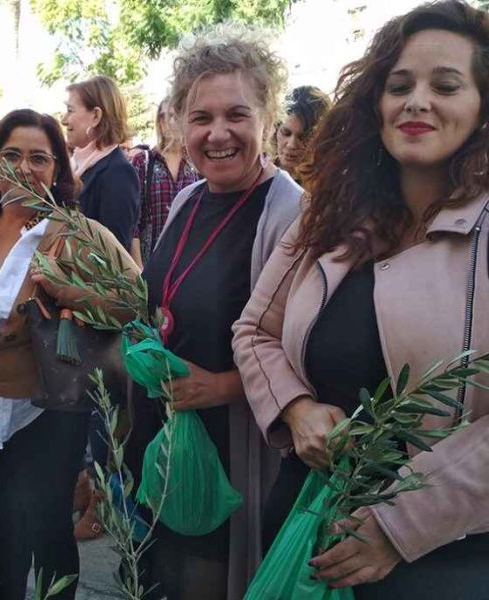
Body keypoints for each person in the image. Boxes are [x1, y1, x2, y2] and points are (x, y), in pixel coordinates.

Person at [232, 2, 489, 597]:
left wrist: (401, 522)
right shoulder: (325, 218)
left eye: (445, 85)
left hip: (443, 558)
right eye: (399, 85)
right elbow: (254, 331)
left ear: (481, 107)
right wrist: (296, 408)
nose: (417, 101)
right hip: (306, 516)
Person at [124, 27, 303, 600]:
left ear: (267, 117)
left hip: (237, 452)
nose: (218, 133)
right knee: (161, 579)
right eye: (200, 117)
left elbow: (315, 354)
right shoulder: (187, 199)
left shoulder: (293, 215)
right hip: (172, 445)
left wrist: (224, 385)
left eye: (237, 115)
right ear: (178, 122)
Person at [0, 108, 139, 600]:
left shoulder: (77, 232)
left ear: (58, 169)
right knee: (3, 533)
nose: (24, 168)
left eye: (39, 158)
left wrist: (72, 291)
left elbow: (135, 300)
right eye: (12, 155)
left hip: (48, 408)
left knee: (47, 533)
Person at [61, 75, 140, 251]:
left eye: (70, 110)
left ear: (96, 116)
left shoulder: (118, 173)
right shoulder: (78, 166)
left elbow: (112, 254)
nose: (64, 119)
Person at [130, 98, 199, 266]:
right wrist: (139, 270)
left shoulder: (196, 161)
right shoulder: (143, 161)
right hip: (152, 260)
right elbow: (134, 223)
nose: (167, 122)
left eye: (174, 116)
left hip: (188, 262)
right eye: (162, 117)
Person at [274, 86, 332, 181]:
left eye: (303, 138)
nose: (291, 145)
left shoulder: (326, 184)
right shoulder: (256, 170)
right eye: (286, 133)